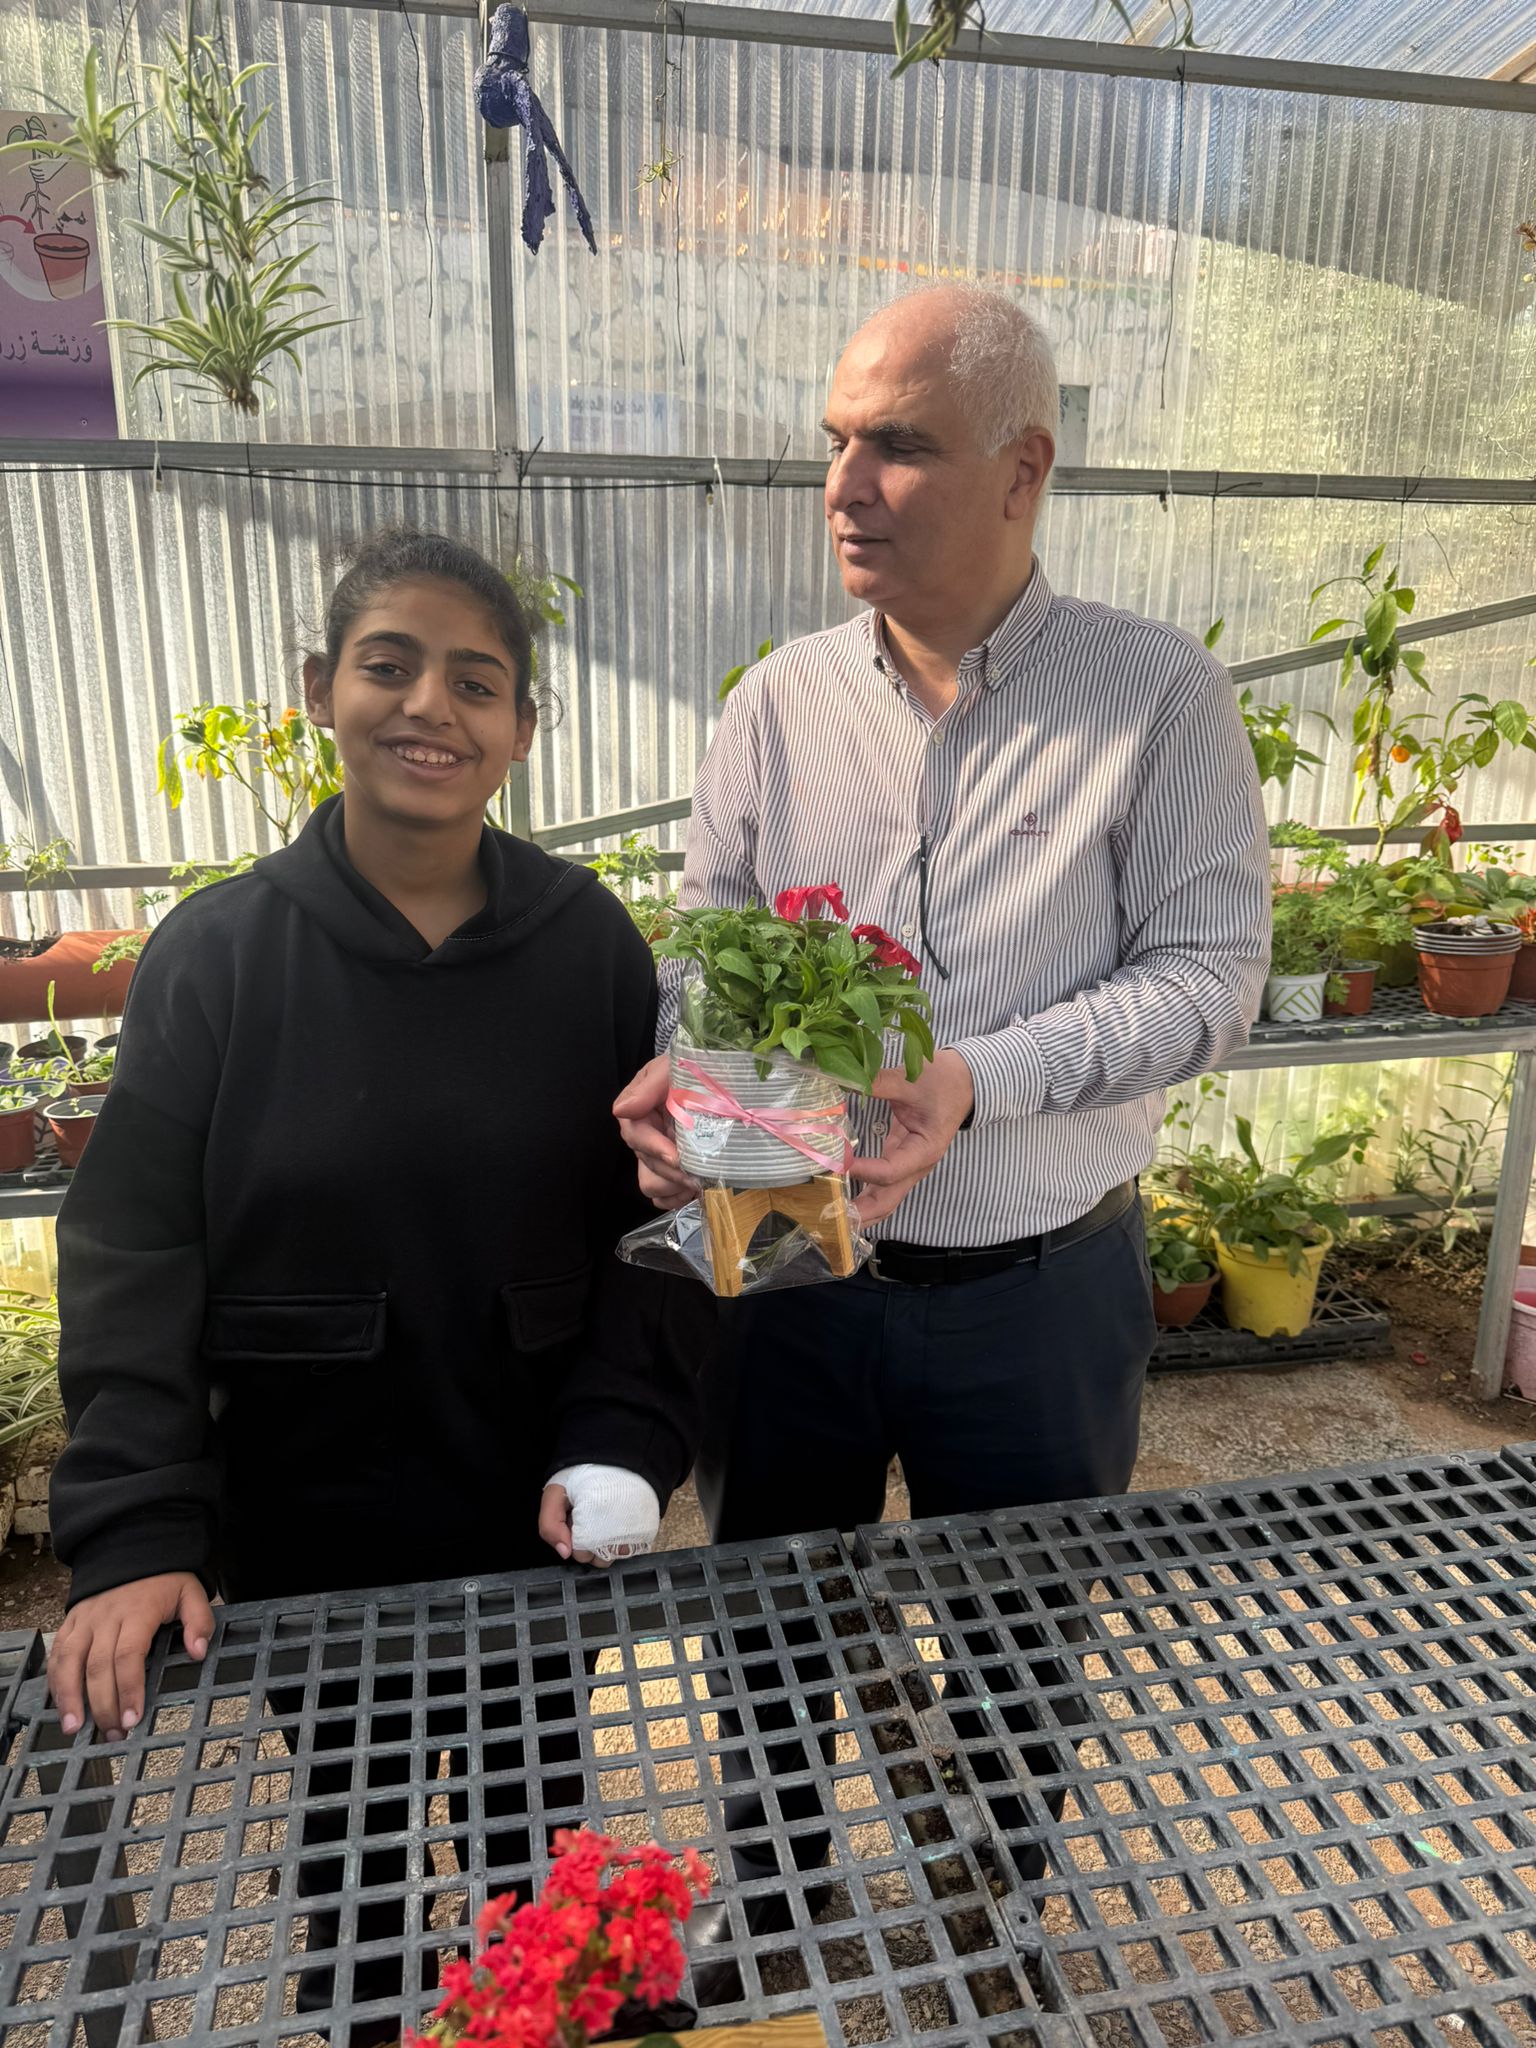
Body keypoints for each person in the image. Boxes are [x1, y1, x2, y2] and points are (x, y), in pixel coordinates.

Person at [45, 529, 708, 2034]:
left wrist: (625, 1434)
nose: (430, 707)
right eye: (390, 664)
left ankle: (557, 2005)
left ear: (521, 727)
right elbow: (133, 1245)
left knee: (540, 1820)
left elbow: (656, 1216)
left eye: (476, 681)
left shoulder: (588, 946)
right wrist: (139, 1521)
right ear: (319, 690)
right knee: (351, 1844)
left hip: (535, 1501)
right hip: (311, 1509)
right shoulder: (220, 956)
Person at [617, 284, 1269, 1540]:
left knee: (1020, 1637)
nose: (843, 487)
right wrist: (691, 1082)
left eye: (899, 445)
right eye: (835, 441)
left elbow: (1207, 980)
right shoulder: (778, 703)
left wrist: (974, 1077)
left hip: (1036, 1295)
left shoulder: (1155, 696)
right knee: (779, 1625)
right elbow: (706, 939)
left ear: (1024, 471)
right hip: (787, 1271)